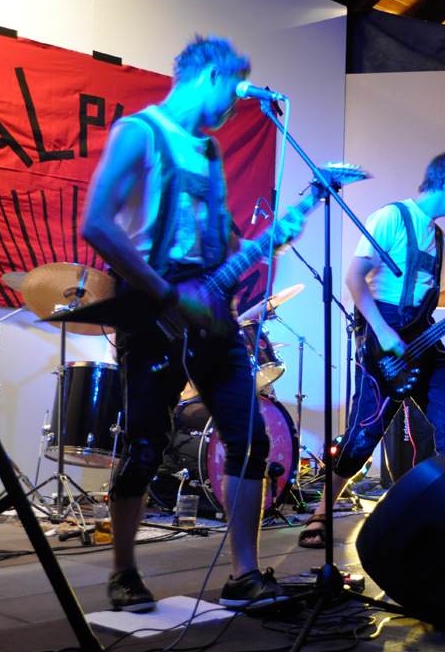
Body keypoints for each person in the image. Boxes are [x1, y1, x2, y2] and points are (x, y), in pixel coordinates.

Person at [82, 35, 302, 612]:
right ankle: (123, 573)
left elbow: (221, 242)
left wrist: (271, 240)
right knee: (144, 445)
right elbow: (96, 223)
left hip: (211, 313)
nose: (235, 106)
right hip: (152, 306)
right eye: (234, 91)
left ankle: (244, 574)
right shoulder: (139, 133)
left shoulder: (207, 153)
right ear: (211, 76)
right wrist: (164, 294)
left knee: (250, 439)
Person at [298, 152, 445, 548]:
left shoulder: (438, 237)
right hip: (384, 334)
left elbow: (438, 296)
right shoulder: (391, 217)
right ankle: (321, 513)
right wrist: (382, 330)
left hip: (423, 335)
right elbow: (355, 278)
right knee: (364, 433)